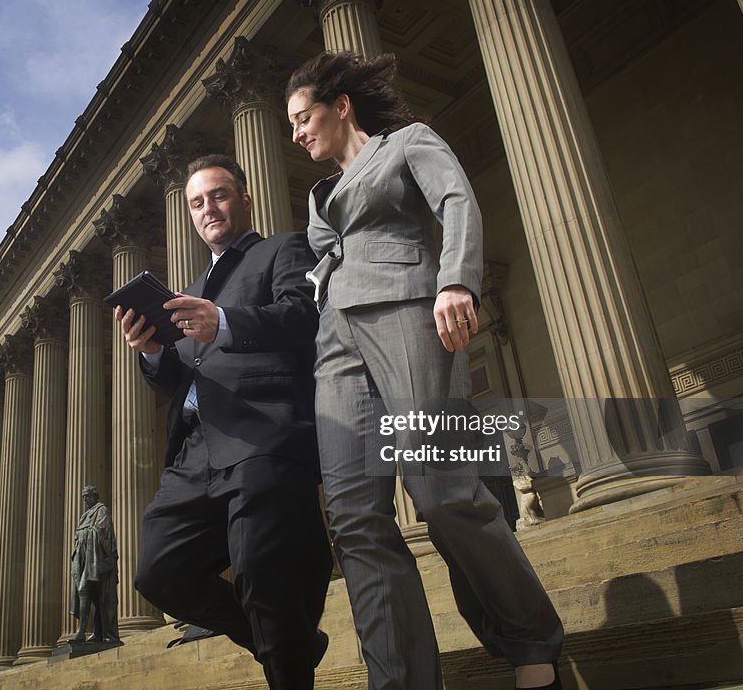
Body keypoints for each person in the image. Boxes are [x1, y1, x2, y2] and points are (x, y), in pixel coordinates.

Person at [285, 52, 564, 690]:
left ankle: (531, 645)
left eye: (304, 117)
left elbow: (457, 201)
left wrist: (456, 280)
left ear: (341, 105)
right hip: (336, 342)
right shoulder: (318, 193)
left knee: (442, 491)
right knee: (356, 520)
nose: (297, 133)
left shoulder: (408, 143)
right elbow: (322, 268)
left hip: (409, 311)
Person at [115, 154, 333, 690]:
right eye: (197, 202)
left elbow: (303, 315)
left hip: (261, 434)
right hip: (195, 453)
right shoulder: (189, 289)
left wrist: (226, 321)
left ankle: (288, 662)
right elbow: (183, 373)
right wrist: (149, 353)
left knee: (264, 575)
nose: (208, 208)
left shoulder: (282, 249)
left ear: (244, 199)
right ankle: (293, 643)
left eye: (218, 195)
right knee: (158, 571)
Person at [70, 485, 119, 643]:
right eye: (83, 496)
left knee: (86, 590)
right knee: (93, 597)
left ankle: (82, 631)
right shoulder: (85, 516)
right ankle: (97, 632)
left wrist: (86, 533)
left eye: (87, 496)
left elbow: (103, 531)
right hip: (85, 560)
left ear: (94, 496)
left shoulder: (101, 510)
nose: (84, 499)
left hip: (98, 561)